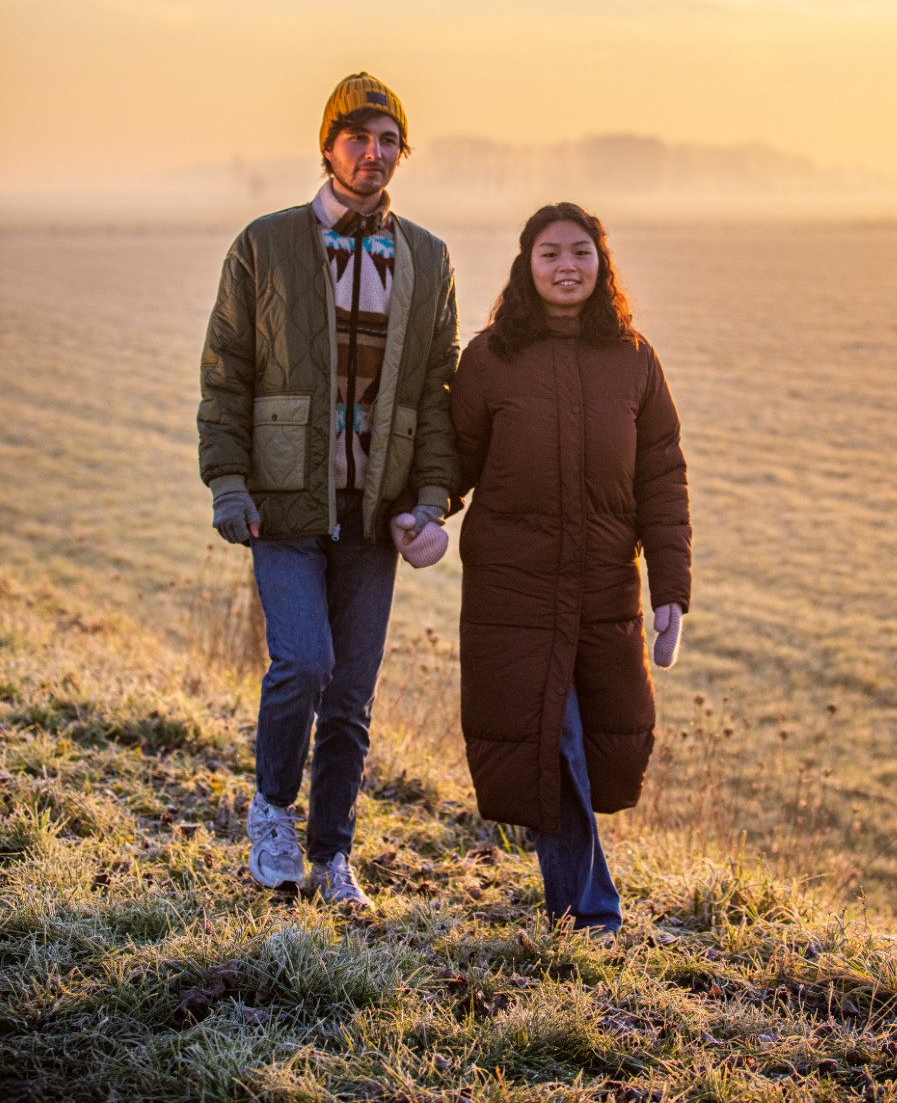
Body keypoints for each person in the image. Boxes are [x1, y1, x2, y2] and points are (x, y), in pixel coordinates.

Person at [198, 71, 458, 909]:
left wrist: (431, 499)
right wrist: (229, 482)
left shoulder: (427, 257)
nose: (373, 154)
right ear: (328, 146)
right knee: (304, 663)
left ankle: (333, 855)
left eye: (389, 142)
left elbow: (438, 392)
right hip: (282, 503)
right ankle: (272, 811)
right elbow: (226, 373)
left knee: (350, 695)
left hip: (375, 511)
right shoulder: (265, 244)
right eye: (358, 138)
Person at [450, 202, 691, 937]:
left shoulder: (634, 359)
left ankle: (580, 906)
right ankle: (591, 914)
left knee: (581, 748)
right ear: (527, 265)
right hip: (511, 592)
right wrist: (419, 512)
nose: (566, 266)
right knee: (551, 741)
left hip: (603, 591)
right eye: (550, 253)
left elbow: (662, 478)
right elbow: (451, 460)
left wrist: (672, 590)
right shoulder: (489, 359)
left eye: (581, 252)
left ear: (601, 264)